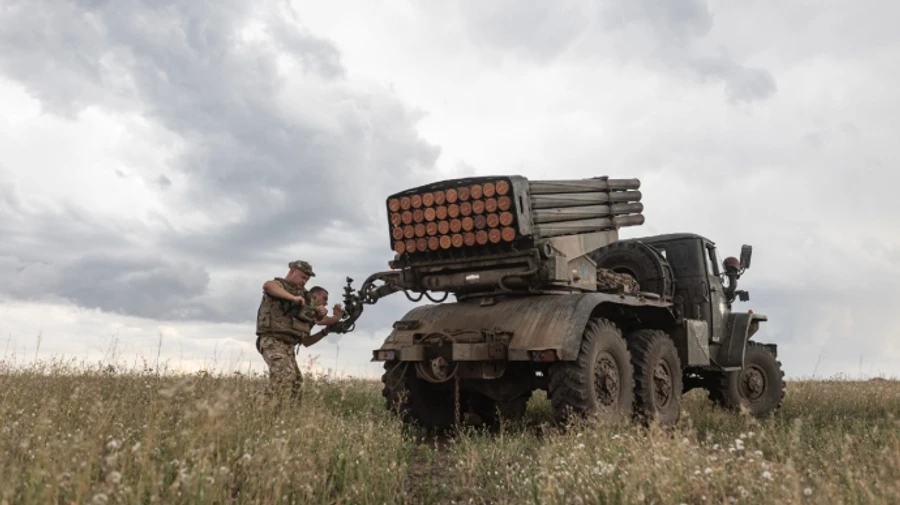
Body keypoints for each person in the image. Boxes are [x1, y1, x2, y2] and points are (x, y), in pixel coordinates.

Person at [255, 260, 342, 402]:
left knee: (296, 382)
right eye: (303, 277)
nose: (304, 281)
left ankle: (289, 414)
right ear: (292, 271)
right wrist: (292, 298)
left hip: (288, 346)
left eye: (307, 279)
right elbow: (267, 286)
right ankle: (260, 407)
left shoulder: (305, 295)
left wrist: (328, 314)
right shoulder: (279, 285)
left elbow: (318, 318)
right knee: (284, 375)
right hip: (272, 340)